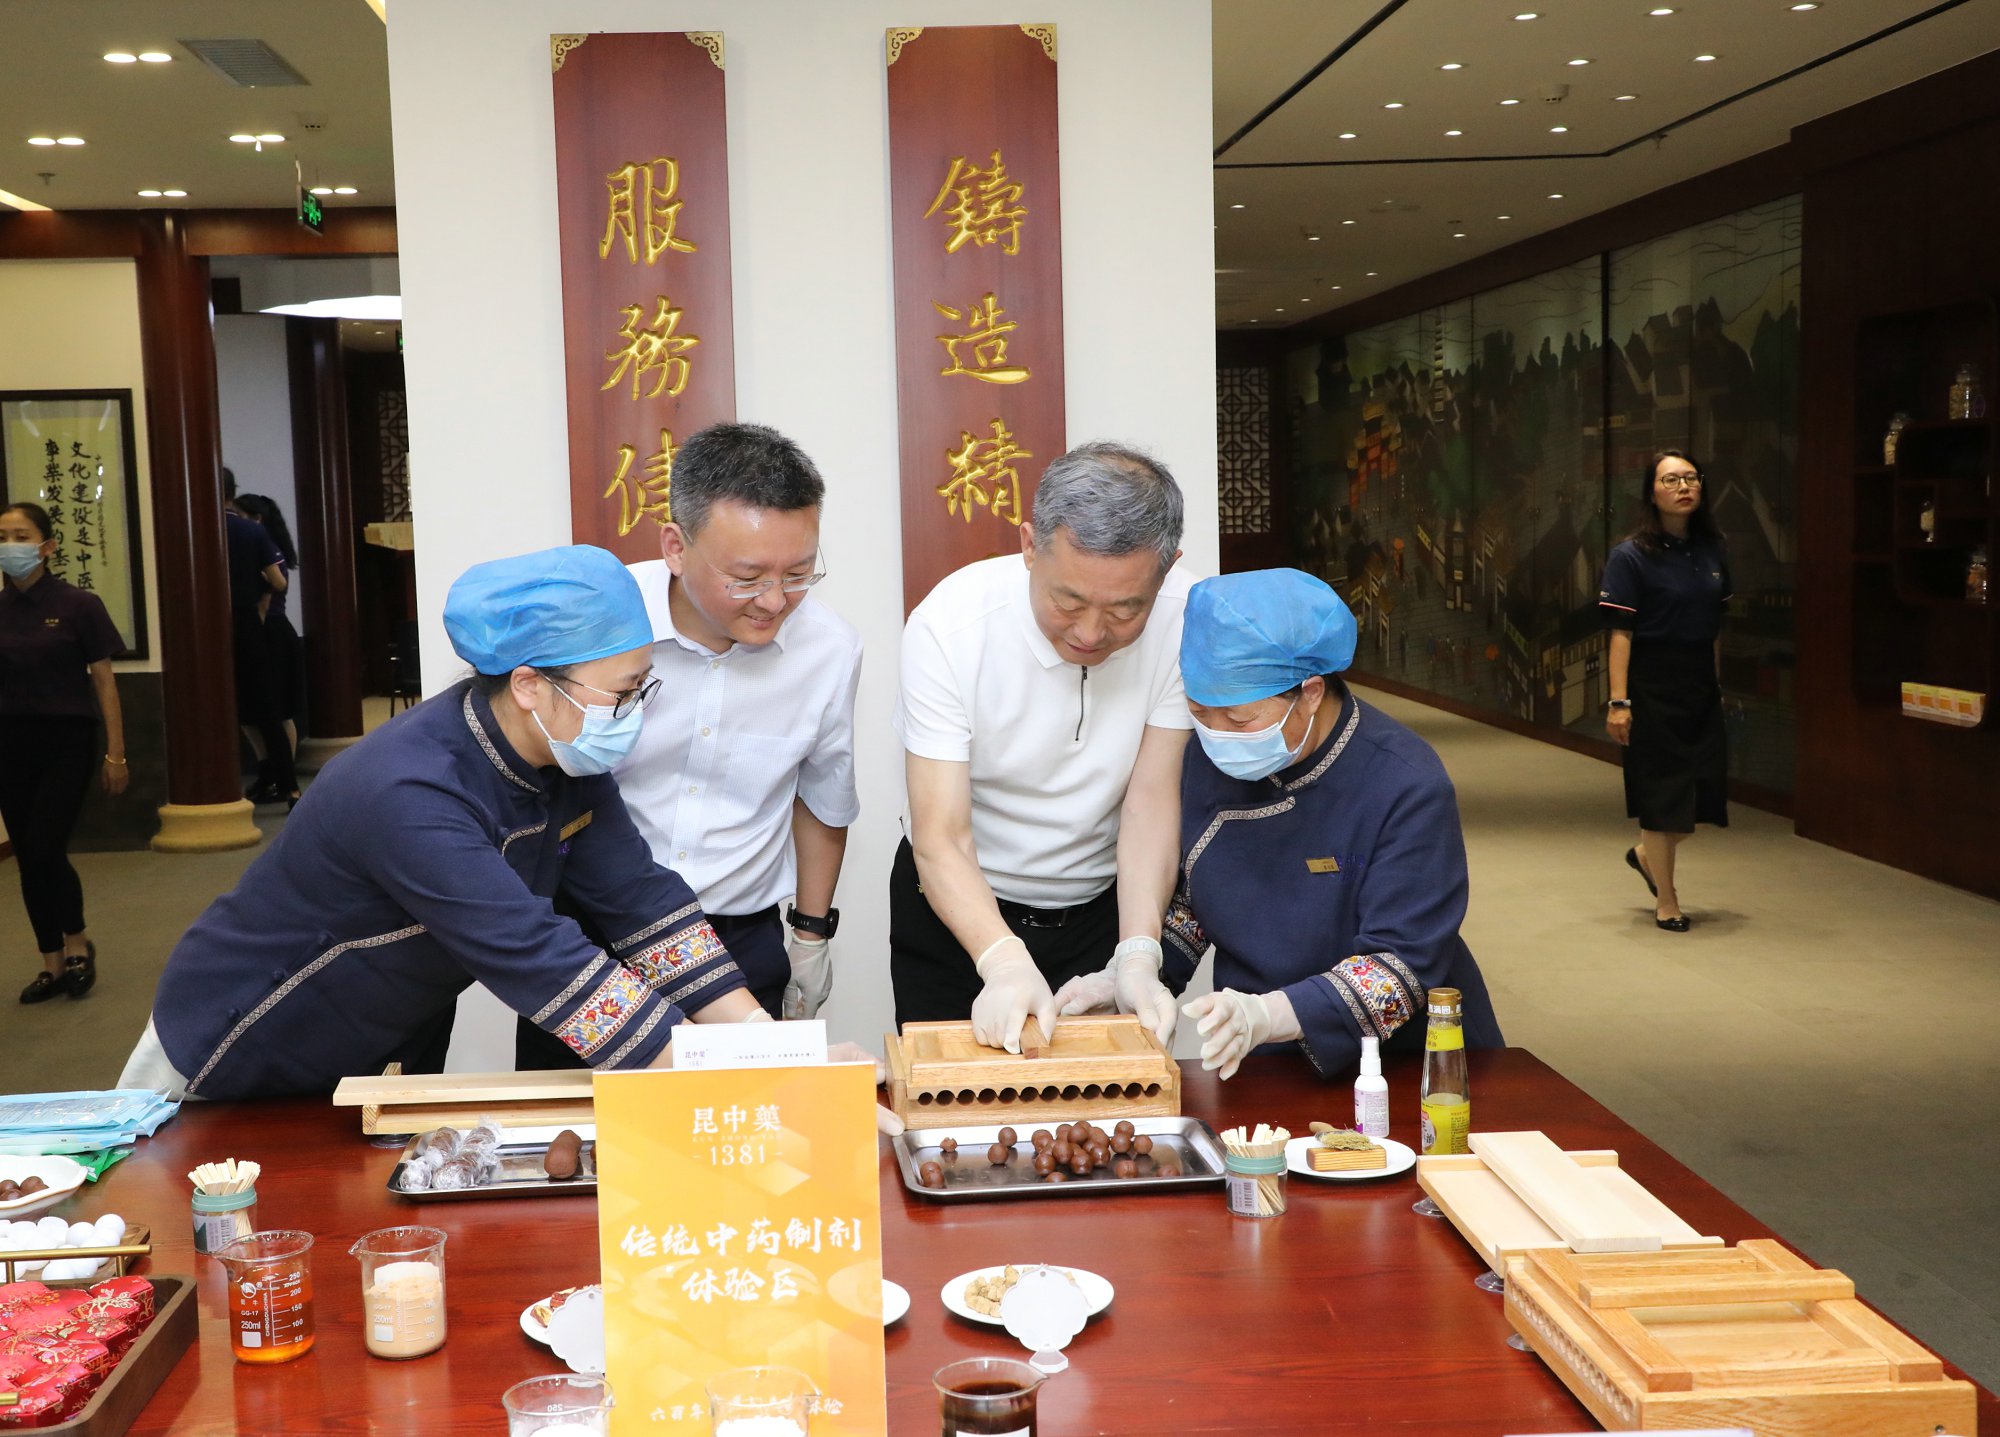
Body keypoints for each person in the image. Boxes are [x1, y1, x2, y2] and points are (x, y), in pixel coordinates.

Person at [118, 545, 773, 1100]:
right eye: (621, 692)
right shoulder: (407, 790)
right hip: (250, 1031)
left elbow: (640, 900)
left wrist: (757, 1039)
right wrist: (717, 1081)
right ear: (529, 685)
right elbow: (534, 951)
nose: (632, 711)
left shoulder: (566, 755)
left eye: (640, 688)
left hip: (384, 1033)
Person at [514, 423, 861, 1070]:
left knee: (742, 1126)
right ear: (676, 546)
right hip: (589, 940)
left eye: (798, 573)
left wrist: (810, 936)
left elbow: (822, 798)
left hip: (738, 946)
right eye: (747, 576)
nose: (774, 600)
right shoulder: (596, 626)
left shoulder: (830, 650)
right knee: (579, 1128)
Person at [1107, 568, 1501, 1081]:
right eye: (1200, 713)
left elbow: (1404, 964)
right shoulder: (1206, 757)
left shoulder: (1406, 782)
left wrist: (1270, 1014)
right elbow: (1198, 898)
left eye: (1240, 720)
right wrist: (1138, 970)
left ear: (1311, 692)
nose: (1219, 735)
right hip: (1263, 1063)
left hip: (1407, 1065)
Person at [893, 441, 1191, 1054]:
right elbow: (941, 835)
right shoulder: (949, 628)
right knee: (958, 1098)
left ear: (1166, 571)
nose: (1091, 632)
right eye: (1068, 602)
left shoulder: (1187, 618)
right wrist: (1002, 960)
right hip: (960, 908)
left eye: (1125, 610)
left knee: (1107, 1100)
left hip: (1105, 907)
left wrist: (1138, 952)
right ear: (1030, 546)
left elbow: (1149, 803)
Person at [0, 502, 127, 1004]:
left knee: (46, 845)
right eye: (3, 536)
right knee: (29, 856)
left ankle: (77, 942)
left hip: (67, 741)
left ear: (47, 546)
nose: (10, 546)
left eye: (21, 536)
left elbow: (104, 682)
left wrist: (116, 753)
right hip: (10, 743)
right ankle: (50, 961)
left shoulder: (78, 605)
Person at [1599, 449, 1730, 933]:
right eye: (1671, 480)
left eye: (1691, 478)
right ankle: (1668, 901)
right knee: (1661, 795)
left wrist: (1716, 684)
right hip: (1651, 683)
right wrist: (1619, 702)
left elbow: (1715, 628)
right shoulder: (1630, 556)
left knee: (1704, 792)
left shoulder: (1712, 550)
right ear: (1651, 493)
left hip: (1699, 684)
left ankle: (1644, 854)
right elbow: (1620, 633)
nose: (1683, 487)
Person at [221, 474, 295, 810]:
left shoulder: (201, 530)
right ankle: (288, 785)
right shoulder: (251, 533)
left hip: (217, 627)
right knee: (268, 709)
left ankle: (268, 776)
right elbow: (278, 582)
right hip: (251, 624)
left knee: (248, 709)